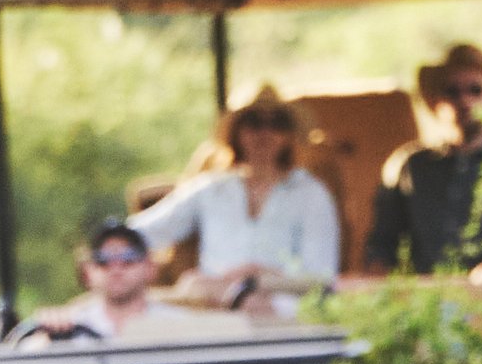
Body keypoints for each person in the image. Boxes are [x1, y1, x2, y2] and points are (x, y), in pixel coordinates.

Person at [130, 87, 341, 312]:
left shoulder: (311, 194)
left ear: (289, 135)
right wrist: (109, 250)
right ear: (237, 132)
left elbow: (320, 274)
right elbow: (145, 231)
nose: (265, 133)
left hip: (283, 308)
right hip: (212, 306)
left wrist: (258, 277)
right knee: (191, 285)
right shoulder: (210, 188)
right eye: (254, 123)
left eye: (277, 124)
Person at [362, 43, 482, 279]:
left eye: (476, 90)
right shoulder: (412, 166)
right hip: (426, 300)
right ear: (436, 101)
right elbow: (382, 245)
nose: (463, 101)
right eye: (452, 92)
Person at [25, 220, 245, 346]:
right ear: (88, 273)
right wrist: (45, 337)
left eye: (129, 258)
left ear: (151, 269)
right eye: (103, 260)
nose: (117, 267)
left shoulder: (180, 325)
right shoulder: (66, 327)